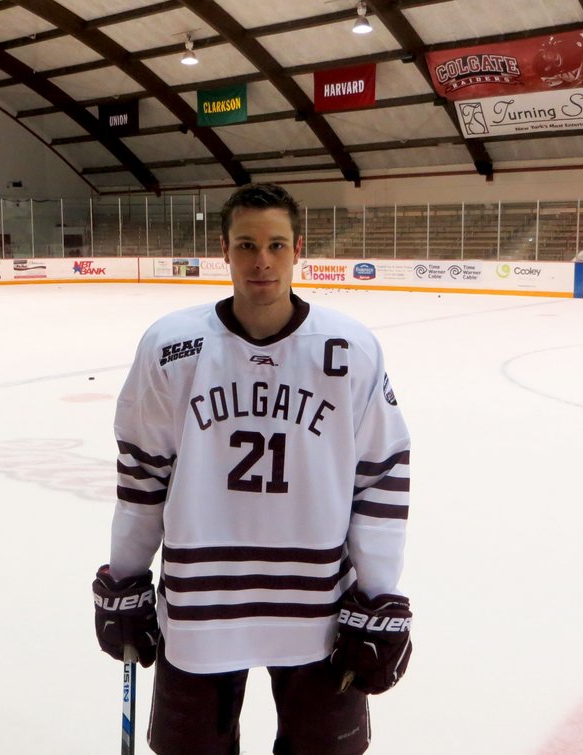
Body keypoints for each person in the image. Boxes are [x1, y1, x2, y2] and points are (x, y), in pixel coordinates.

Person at [92, 183, 413, 754]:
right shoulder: (173, 346)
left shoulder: (349, 349)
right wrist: (127, 576)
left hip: (319, 610)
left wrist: (378, 595)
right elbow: (142, 474)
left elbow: (381, 473)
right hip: (200, 609)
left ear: (298, 250)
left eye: (275, 244)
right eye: (246, 244)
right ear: (225, 251)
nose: (261, 260)